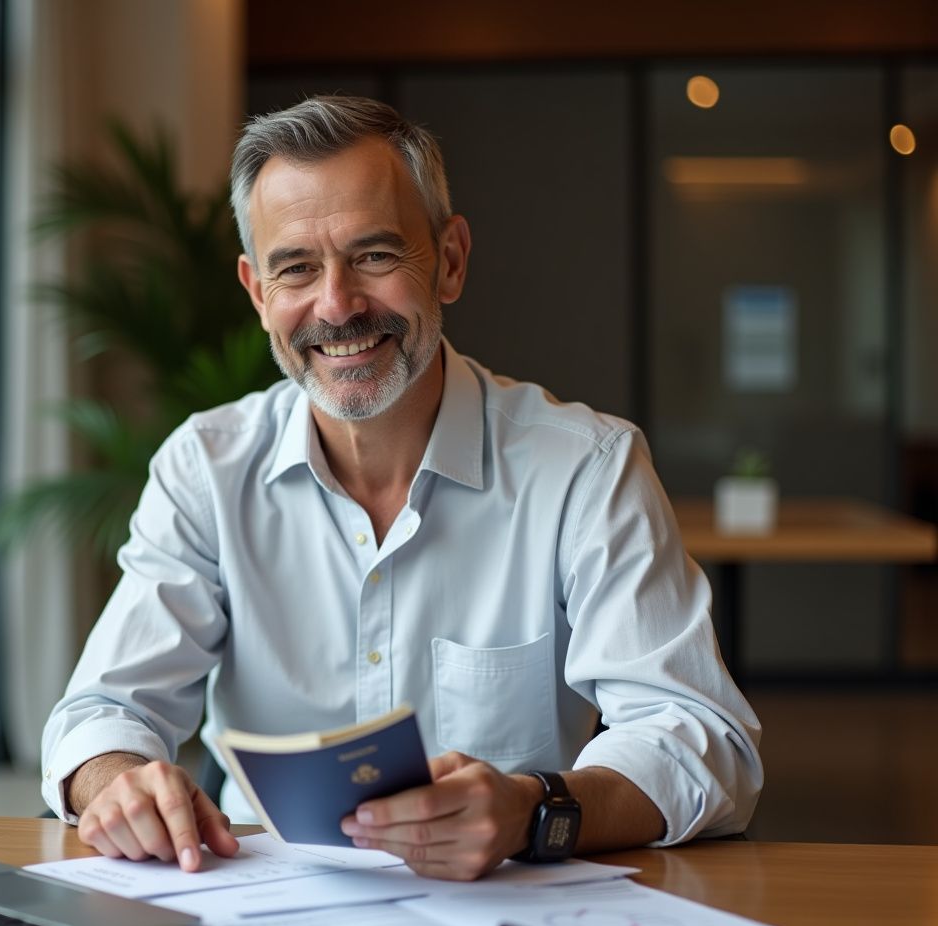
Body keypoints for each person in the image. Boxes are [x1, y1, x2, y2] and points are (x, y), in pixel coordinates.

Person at [40, 96, 762, 880]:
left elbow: (698, 738)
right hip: (262, 922)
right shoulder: (205, 469)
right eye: (296, 269)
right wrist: (118, 783)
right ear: (257, 293)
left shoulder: (586, 467)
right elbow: (101, 713)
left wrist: (534, 809)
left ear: (450, 260)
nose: (337, 304)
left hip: (509, 914)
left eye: (375, 256)